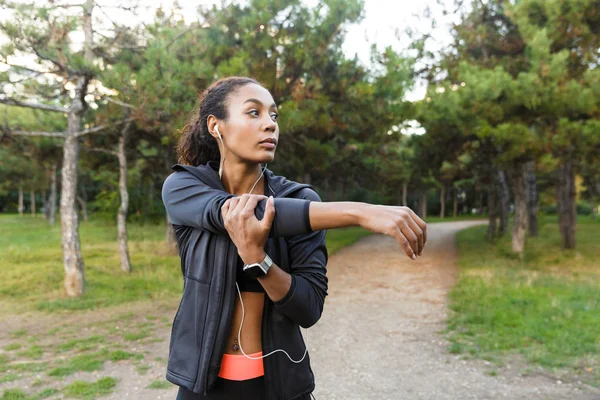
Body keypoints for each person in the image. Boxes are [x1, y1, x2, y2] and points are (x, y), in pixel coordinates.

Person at [161, 76, 427, 400]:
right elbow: (240, 213)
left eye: (274, 115)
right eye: (254, 112)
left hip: (279, 387)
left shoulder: (300, 197)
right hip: (202, 386)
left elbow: (309, 309)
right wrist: (358, 212)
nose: (270, 125)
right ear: (216, 125)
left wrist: (258, 260)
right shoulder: (185, 186)